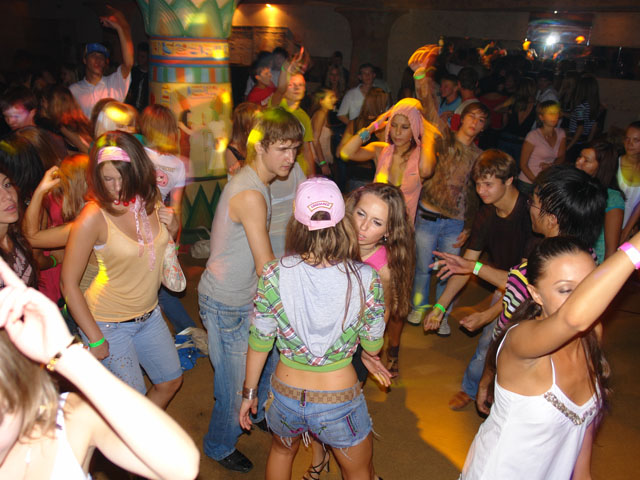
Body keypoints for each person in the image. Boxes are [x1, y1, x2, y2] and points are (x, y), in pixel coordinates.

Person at [239, 177, 386, 480]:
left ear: (296, 220)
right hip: (339, 397)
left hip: (285, 394)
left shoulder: (272, 274)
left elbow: (260, 341)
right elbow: (373, 345)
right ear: (343, 222)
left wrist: (249, 393)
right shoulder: (366, 278)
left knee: (282, 452)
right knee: (358, 470)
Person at [460, 232, 640, 478]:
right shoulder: (520, 339)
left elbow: (580, 435)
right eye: (566, 289)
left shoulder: (592, 334)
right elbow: (573, 318)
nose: (581, 299)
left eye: (588, 285)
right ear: (535, 294)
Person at [0, 257, 200, 480]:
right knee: (135, 392)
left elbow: (182, 466)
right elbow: (69, 281)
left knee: (164, 384)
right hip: (109, 323)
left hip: (145, 316)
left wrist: (66, 353)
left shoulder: (64, 425)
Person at [434, 164, 607, 414]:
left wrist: (487, 376)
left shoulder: (544, 264)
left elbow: (506, 329)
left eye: (534, 203)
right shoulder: (583, 258)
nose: (529, 208)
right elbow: (516, 281)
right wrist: (473, 267)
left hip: (527, 380)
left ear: (552, 219)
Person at [198, 108, 304, 473]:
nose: (291, 157)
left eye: (295, 148)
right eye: (283, 148)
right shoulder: (251, 194)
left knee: (265, 366)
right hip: (227, 303)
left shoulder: (258, 181)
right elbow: (266, 267)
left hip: (246, 298)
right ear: (260, 146)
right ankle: (218, 444)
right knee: (234, 388)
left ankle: (255, 413)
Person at [60, 131, 183, 410]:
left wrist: (174, 229)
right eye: (108, 179)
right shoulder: (94, 216)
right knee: (129, 402)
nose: (117, 187)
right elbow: (68, 283)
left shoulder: (151, 200)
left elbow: (162, 252)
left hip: (150, 315)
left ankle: (140, 430)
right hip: (108, 323)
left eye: (124, 177)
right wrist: (95, 338)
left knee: (170, 381)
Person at [424, 150, 532, 410]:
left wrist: (488, 315)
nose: (481, 191)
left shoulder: (530, 215)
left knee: (516, 349)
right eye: (478, 184)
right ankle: (472, 390)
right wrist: (440, 306)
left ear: (509, 180)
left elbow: (524, 283)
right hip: (503, 282)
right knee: (487, 343)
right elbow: (466, 266)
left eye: (488, 184)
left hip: (533, 289)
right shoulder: (486, 213)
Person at [406, 44, 488, 333]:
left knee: (447, 271)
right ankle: (418, 307)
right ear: (462, 118)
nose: (475, 122)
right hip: (428, 216)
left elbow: (477, 196)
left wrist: (470, 226)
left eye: (481, 120)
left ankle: (440, 314)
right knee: (422, 269)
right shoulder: (444, 138)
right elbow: (429, 108)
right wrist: (420, 76)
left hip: (454, 223)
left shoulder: (481, 157)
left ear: (483, 128)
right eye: (472, 117)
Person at [139, 104, 197, 333]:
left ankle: (181, 331)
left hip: (134, 225)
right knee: (161, 283)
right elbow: (176, 208)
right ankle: (188, 330)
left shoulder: (137, 153)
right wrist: (175, 239)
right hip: (161, 226)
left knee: (148, 285)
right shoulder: (178, 164)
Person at [340, 97, 438, 221]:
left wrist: (426, 134)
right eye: (393, 125)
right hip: (373, 224)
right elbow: (345, 153)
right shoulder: (381, 150)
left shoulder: (421, 156)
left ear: (415, 127)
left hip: (401, 228)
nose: (397, 132)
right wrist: (373, 126)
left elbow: (426, 171)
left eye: (405, 127)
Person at [69, 7, 134, 117]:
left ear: (105, 62)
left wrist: (119, 29)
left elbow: (128, 63)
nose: (98, 60)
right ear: (84, 60)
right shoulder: (74, 90)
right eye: (93, 55)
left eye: (101, 57)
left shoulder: (113, 83)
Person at [575, 141, 624, 262]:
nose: (578, 162)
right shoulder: (576, 188)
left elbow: (611, 250)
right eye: (579, 156)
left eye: (586, 160)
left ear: (601, 167)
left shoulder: (612, 199)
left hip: (594, 264)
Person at [337, 87, 389, 192]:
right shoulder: (382, 126)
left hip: (354, 178)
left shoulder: (354, 123)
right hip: (371, 179)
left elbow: (339, 153)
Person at [518, 100, 566, 195]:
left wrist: (551, 166)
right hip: (528, 182)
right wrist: (537, 182)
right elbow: (523, 164)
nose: (554, 116)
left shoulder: (561, 133)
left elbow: (561, 157)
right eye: (550, 113)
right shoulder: (533, 136)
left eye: (556, 113)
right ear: (541, 117)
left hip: (546, 181)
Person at [42, 85, 93, 154]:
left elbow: (86, 151)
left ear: (53, 103)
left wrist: (63, 153)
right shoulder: (78, 118)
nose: (43, 105)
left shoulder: (64, 125)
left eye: (44, 101)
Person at [617, 121, 640, 242]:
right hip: (607, 224)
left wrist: (626, 231)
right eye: (627, 139)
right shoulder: (614, 163)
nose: (630, 144)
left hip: (630, 228)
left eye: (636, 140)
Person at [225, 102, 261, 177]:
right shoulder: (232, 151)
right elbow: (235, 179)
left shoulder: (259, 141)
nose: (261, 123)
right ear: (246, 125)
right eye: (257, 120)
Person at [309, 88, 339, 173]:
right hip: (317, 161)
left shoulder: (323, 114)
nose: (335, 99)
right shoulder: (320, 114)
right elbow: (315, 140)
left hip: (319, 160)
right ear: (321, 101)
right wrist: (322, 163)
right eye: (331, 97)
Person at [125, 41, 150, 112]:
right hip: (131, 108)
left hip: (146, 111)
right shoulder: (133, 71)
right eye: (138, 56)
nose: (139, 59)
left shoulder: (151, 75)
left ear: (148, 58)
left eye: (143, 57)